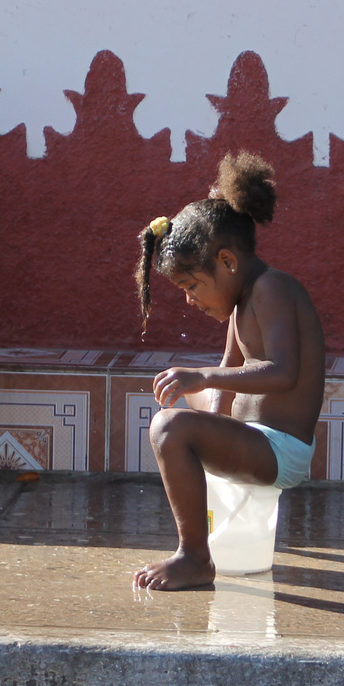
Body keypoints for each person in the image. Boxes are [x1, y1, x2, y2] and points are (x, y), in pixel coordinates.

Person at [131, 153, 325, 590]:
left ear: (227, 262)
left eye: (192, 286)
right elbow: (226, 373)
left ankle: (195, 557)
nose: (190, 301)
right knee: (178, 394)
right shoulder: (242, 304)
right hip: (253, 435)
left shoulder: (272, 288)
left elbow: (283, 372)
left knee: (170, 427)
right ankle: (205, 526)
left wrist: (202, 382)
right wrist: (207, 407)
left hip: (280, 448)